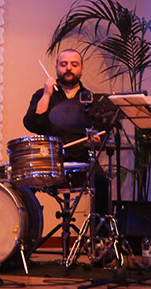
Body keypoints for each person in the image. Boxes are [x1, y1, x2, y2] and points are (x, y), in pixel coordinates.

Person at [23, 48, 110, 215]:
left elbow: (102, 132)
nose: (69, 68)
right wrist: (47, 95)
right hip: (50, 158)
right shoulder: (42, 94)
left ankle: (100, 230)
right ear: (56, 68)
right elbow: (33, 124)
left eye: (74, 65)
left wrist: (96, 140)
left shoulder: (90, 98)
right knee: (25, 186)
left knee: (102, 183)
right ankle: (30, 227)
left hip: (82, 157)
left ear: (81, 69)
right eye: (63, 64)